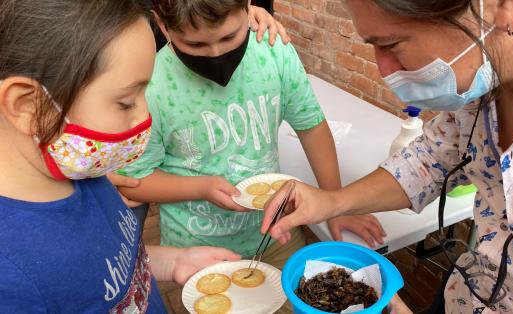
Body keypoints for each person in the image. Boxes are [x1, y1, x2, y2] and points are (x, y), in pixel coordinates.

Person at [261, 0, 513, 313]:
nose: (385, 72)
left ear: (505, 5)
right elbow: (428, 161)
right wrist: (331, 202)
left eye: (392, 43)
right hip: (465, 296)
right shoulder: (483, 86)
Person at [0, 0, 241, 312]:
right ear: (28, 106)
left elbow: (105, 268)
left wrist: (173, 261)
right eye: (127, 102)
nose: (145, 114)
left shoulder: (81, 169)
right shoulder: (11, 280)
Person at [115, 0, 384, 274]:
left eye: (230, 36)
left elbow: (311, 126)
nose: (216, 53)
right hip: (196, 251)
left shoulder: (273, 49)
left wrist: (334, 204)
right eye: (195, 45)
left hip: (276, 235)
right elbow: (134, 181)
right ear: (162, 24)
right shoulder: (149, 86)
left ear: (247, 7)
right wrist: (201, 188)